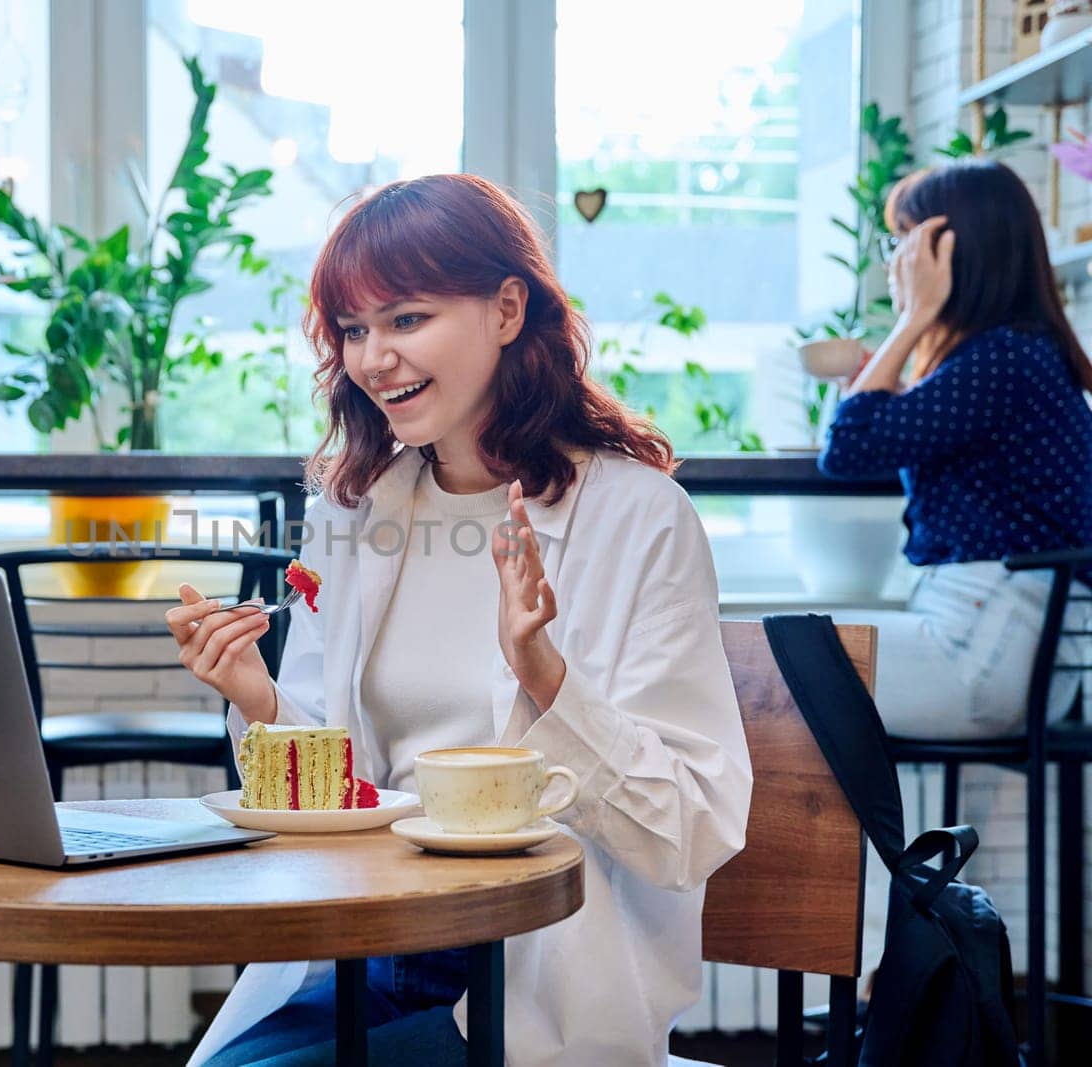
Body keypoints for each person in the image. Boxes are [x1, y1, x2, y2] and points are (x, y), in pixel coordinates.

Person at [164, 174, 753, 1066]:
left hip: (530, 967)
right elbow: (342, 790)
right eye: (354, 331)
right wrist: (261, 700)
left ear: (509, 308)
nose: (374, 358)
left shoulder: (638, 516)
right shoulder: (355, 512)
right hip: (371, 944)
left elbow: (693, 827)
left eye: (406, 319)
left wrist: (544, 676)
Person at [819, 159, 1092, 741]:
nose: (895, 261)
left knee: (766, 661)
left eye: (903, 241)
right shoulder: (1015, 356)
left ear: (946, 254)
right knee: (773, 658)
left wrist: (915, 317)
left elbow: (848, 446)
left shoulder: (1002, 360)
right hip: (1004, 639)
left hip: (986, 648)